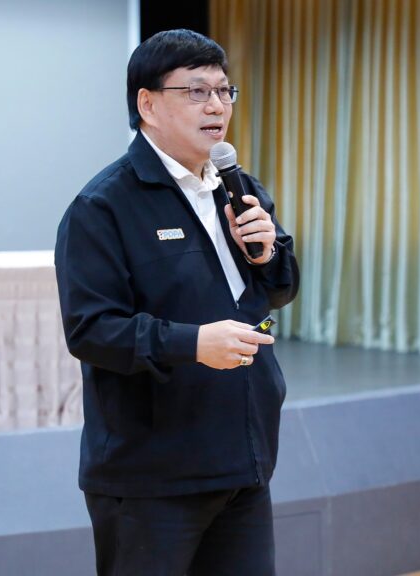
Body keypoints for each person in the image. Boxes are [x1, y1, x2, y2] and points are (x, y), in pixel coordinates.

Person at [55, 28, 299, 576]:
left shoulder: (240, 188)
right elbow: (91, 330)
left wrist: (267, 255)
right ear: (148, 105)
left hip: (244, 460)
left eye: (224, 91)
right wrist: (193, 344)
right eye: (196, 91)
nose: (216, 106)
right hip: (152, 478)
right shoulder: (103, 207)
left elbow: (280, 288)